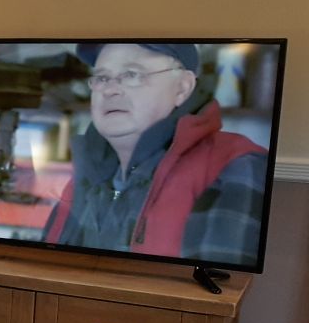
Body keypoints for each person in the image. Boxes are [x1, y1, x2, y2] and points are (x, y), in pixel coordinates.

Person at [43, 42, 268, 266]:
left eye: (132, 74)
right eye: (101, 78)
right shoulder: (86, 173)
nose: (110, 89)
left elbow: (210, 295)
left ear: (182, 88)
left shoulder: (235, 166)